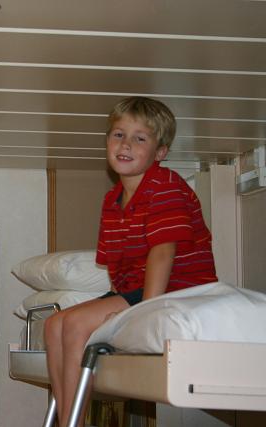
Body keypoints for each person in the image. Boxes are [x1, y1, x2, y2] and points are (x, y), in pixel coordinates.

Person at [43, 96, 217, 427]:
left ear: (160, 152)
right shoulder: (112, 199)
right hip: (135, 289)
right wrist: (117, 307)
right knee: (54, 325)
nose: (125, 145)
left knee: (76, 324)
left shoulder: (165, 186)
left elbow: (162, 252)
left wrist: (144, 314)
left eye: (140, 138)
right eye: (119, 135)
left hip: (178, 289)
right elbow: (117, 268)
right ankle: (69, 420)